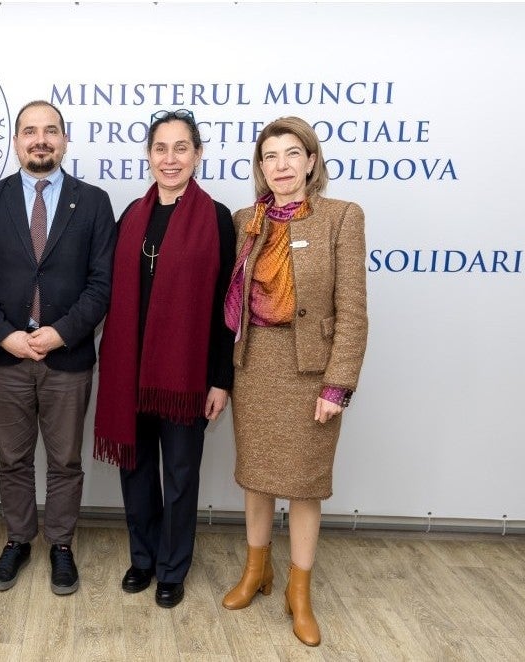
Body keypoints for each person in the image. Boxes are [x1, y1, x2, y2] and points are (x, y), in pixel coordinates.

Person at [221, 116, 367, 646]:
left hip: (311, 371)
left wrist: (337, 384)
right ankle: (257, 571)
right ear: (260, 167)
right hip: (255, 365)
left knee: (305, 485)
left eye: (291, 155)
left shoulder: (341, 218)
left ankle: (298, 591)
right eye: (269, 157)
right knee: (256, 475)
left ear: (310, 161)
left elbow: (352, 311)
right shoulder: (244, 220)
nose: (280, 166)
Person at [0, 100, 116, 596]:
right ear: (16, 141)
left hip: (67, 355)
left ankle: (62, 545)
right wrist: (4, 334)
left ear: (65, 140)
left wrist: (62, 332)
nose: (40, 139)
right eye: (30, 131)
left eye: (51, 131)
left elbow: (101, 284)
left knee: (65, 460)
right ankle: (19, 540)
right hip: (7, 354)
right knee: (13, 458)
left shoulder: (93, 202)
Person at [93, 109, 236, 609]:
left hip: (185, 375)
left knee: (179, 474)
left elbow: (226, 307)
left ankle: (173, 568)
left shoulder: (217, 218)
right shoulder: (131, 213)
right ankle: (144, 558)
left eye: (180, 148)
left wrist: (221, 380)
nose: (169, 158)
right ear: (149, 155)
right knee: (135, 469)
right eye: (160, 148)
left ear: (198, 154)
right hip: (128, 370)